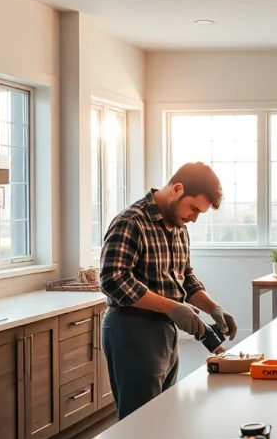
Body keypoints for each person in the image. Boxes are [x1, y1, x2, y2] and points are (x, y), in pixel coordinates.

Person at [99, 162, 237, 420]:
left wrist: (213, 308)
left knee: (163, 418)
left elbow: (186, 277)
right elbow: (112, 280)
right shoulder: (131, 222)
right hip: (131, 330)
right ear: (177, 189)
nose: (194, 218)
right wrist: (172, 307)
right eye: (193, 208)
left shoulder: (179, 228)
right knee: (141, 423)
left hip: (165, 331)